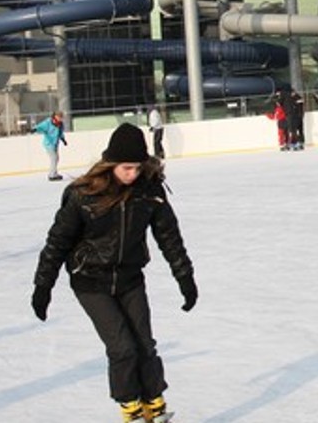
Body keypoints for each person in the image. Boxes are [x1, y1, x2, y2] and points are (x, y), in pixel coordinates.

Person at [31, 123, 196, 423]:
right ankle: (131, 409)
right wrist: (43, 286)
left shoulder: (149, 191)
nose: (132, 174)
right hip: (90, 281)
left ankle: (154, 404)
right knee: (122, 347)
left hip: (130, 278)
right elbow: (57, 242)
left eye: (137, 167)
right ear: (111, 163)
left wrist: (185, 277)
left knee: (145, 344)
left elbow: (168, 235)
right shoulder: (83, 194)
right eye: (126, 168)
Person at [34, 111, 68, 180]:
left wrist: (63, 139)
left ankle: (54, 173)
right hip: (48, 143)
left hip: (55, 143)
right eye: (59, 117)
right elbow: (41, 126)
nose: (60, 118)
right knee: (54, 158)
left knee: (56, 158)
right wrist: (35, 129)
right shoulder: (48, 122)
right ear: (55, 116)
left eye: (61, 117)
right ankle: (52, 175)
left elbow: (60, 133)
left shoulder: (60, 124)